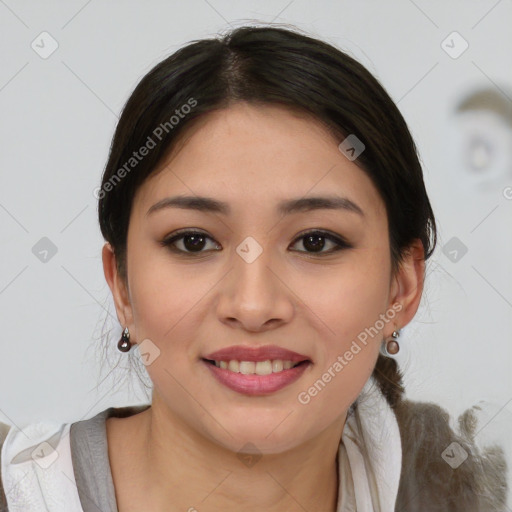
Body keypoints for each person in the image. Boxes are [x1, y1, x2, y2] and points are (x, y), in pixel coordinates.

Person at [0, 25, 509, 512]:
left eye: (315, 241)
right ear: (122, 286)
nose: (253, 305)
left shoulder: (467, 488)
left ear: (402, 286)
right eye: (193, 241)